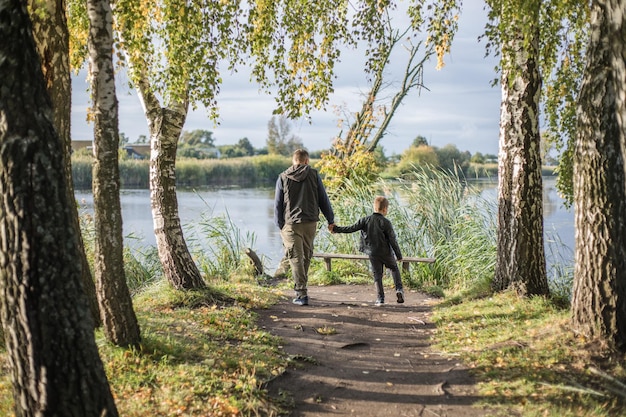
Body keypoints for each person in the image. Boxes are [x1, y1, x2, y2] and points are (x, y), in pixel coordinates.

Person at [274, 149, 335, 306]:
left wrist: (280, 225)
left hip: (291, 223)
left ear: (294, 161)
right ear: (306, 161)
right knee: (305, 257)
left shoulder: (283, 177)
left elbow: (278, 204)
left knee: (296, 258)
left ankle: (301, 293)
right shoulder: (314, 174)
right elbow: (323, 198)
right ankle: (302, 289)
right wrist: (330, 219)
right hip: (310, 222)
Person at [330, 196, 404, 306]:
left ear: (374, 207)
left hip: (372, 252)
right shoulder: (386, 222)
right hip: (386, 253)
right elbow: (393, 240)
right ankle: (399, 290)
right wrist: (399, 255)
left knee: (377, 275)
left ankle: (380, 299)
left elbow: (351, 228)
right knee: (394, 268)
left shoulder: (365, 220)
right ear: (384, 209)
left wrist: (336, 229)